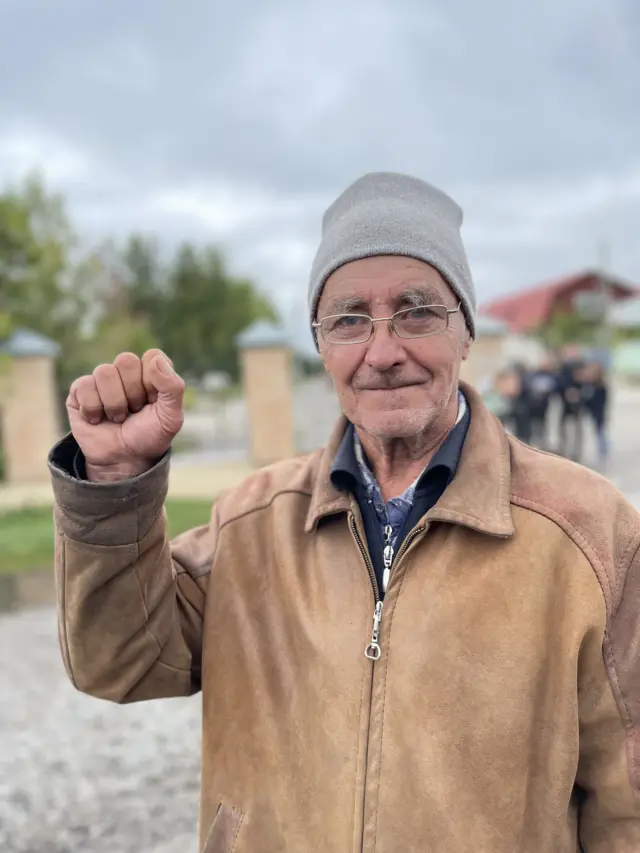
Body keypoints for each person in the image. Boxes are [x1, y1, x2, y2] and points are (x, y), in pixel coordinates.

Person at [48, 172, 640, 852]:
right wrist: (116, 484)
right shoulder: (251, 522)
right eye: (350, 319)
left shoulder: (588, 531)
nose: (382, 352)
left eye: (417, 311)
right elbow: (119, 663)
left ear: (466, 331)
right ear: (321, 344)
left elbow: (627, 805)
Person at [556, 345, 585, 461]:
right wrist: (567, 392)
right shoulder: (563, 368)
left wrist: (578, 393)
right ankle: (565, 453)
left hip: (578, 406)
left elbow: (586, 383)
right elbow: (558, 384)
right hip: (565, 405)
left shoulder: (581, 365)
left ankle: (577, 454)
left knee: (578, 431)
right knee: (564, 431)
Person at [580, 360, 611, 469]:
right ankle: (599, 455)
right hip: (589, 414)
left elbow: (601, 403)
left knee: (600, 435)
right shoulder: (587, 385)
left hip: (598, 415)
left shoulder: (601, 387)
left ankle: (603, 455)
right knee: (595, 435)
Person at [527, 354, 557, 449]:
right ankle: (535, 445)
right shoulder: (534, 375)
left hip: (544, 408)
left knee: (542, 428)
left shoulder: (552, 375)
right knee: (534, 428)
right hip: (533, 408)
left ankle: (541, 445)